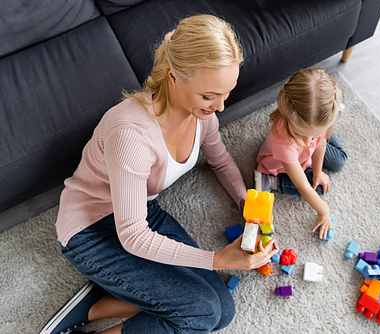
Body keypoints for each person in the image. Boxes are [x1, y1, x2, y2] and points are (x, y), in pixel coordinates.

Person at [41, 14, 278, 334]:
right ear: (173, 76)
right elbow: (134, 237)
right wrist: (217, 260)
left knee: (222, 310)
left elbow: (221, 162)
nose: (220, 107)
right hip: (90, 232)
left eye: (226, 94)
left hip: (142, 210)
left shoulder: (202, 117)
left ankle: (96, 305)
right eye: (209, 96)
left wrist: (246, 204)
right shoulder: (131, 134)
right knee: (201, 313)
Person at [254, 68, 347, 240]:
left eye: (313, 134)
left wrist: (318, 171)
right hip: (281, 165)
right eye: (299, 134)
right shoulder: (282, 142)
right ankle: (272, 181)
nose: (308, 140)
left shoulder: (315, 133)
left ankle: (319, 123)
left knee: (340, 161)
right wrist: (323, 211)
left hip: (306, 154)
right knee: (316, 189)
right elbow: (304, 188)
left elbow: (318, 144)